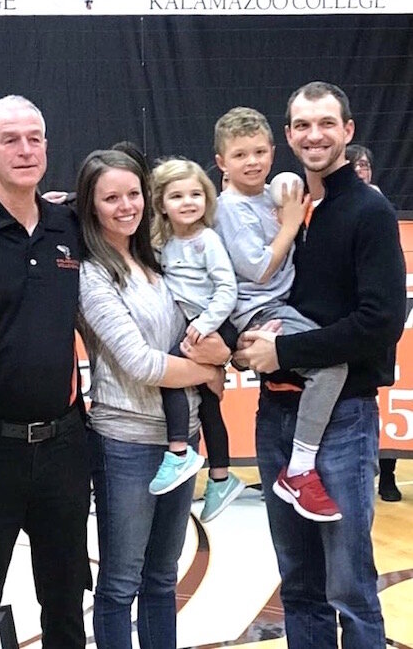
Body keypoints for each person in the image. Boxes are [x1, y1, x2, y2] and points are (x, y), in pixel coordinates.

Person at [235, 82, 405, 648]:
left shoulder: (368, 210)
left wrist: (284, 352)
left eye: (326, 123)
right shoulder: (280, 209)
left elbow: (381, 322)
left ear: (348, 131)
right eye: (302, 125)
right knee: (300, 588)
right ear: (288, 135)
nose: (314, 135)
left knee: (351, 588)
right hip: (275, 415)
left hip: (342, 421)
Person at [0, 95, 90, 649]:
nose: (25, 149)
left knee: (64, 600)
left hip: (64, 446)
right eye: (10, 139)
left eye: (35, 137)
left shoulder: (72, 226)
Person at [76, 149, 227, 649]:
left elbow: (199, 329)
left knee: (163, 578)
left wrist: (222, 353)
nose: (126, 206)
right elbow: (140, 363)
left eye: (133, 193)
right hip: (126, 442)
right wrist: (208, 369)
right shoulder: (92, 273)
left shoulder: (157, 258)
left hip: (181, 439)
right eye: (111, 197)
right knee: (121, 583)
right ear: (91, 206)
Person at [214, 106, 349, 522]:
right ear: (221, 162)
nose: (251, 162)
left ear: (273, 151)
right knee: (331, 366)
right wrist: (290, 223)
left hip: (284, 305)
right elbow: (258, 268)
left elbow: (291, 187)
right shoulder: (228, 209)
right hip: (262, 311)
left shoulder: (271, 191)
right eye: (239, 155)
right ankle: (300, 469)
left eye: (258, 152)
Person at [148, 157, 244, 521]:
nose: (188, 202)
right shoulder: (165, 242)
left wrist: (207, 323)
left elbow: (227, 289)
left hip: (213, 326)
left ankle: (178, 452)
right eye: (177, 196)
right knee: (207, 404)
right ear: (161, 204)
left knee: (172, 375)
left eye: (195, 194)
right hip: (196, 326)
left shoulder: (208, 241)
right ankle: (220, 476)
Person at [346, 143, 402, 501]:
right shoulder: (326, 204)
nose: (361, 170)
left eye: (366, 164)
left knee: (373, 398)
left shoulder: (378, 205)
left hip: (372, 320)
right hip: (345, 321)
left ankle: (387, 475)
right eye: (355, 165)